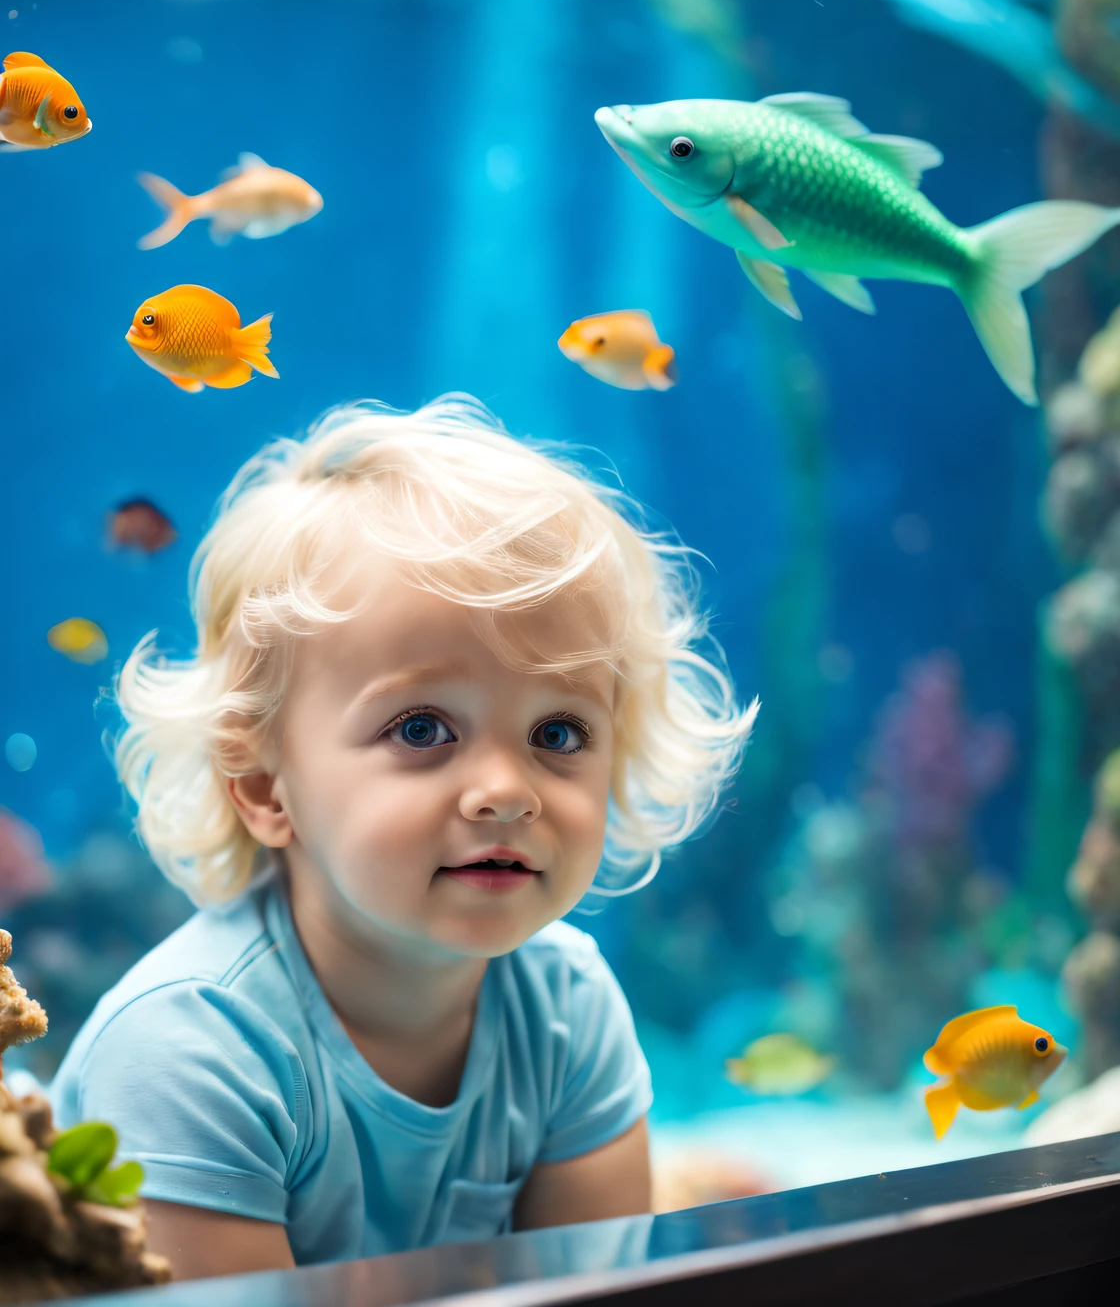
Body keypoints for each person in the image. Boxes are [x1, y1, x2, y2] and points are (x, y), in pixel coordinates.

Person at [51, 397, 755, 1280]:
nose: (506, 792)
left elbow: (597, 1293)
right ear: (268, 787)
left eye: (559, 734)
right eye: (423, 730)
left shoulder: (568, 1012)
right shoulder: (190, 1053)